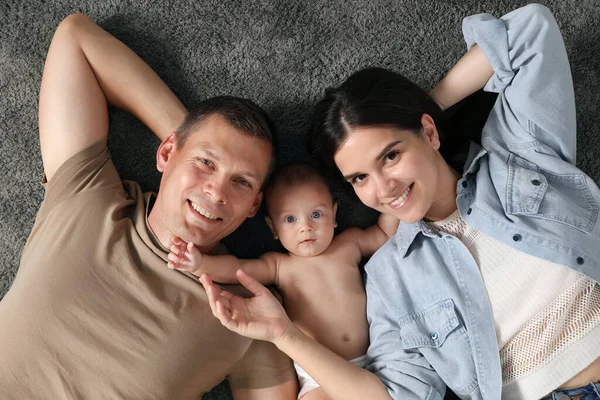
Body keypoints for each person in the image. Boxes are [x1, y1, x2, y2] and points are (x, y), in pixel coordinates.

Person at [198, 4, 600, 400]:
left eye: (390, 155)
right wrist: (284, 334)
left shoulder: (516, 157)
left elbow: (529, 30)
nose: (383, 189)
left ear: (427, 133)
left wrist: (426, 108)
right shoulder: (390, 279)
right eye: (359, 178)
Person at [0, 13, 298, 399]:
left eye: (241, 182)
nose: (217, 191)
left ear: (255, 205)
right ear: (166, 150)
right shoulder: (87, 192)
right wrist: (187, 139)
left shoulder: (246, 315)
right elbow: (75, 38)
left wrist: (194, 153)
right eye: (206, 163)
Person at [168, 163, 398, 400]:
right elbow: (238, 269)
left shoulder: (350, 244)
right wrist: (200, 263)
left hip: (372, 362)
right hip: (317, 375)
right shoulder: (280, 265)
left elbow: (384, 233)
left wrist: (395, 197)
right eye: (290, 219)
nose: (305, 227)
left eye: (316, 214)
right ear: (273, 228)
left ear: (334, 215)